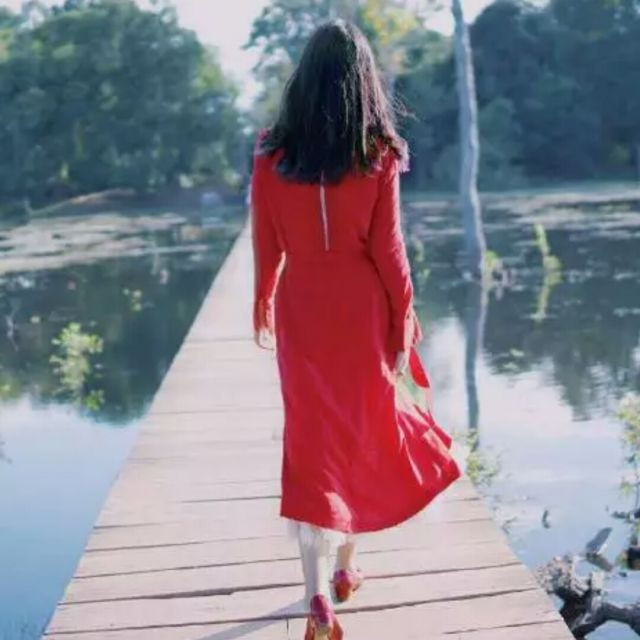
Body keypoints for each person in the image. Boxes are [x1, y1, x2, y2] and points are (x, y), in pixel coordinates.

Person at [250, 20, 461, 640]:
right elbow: (390, 251)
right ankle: (345, 569)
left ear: (303, 79)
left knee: (311, 442)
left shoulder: (270, 154)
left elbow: (265, 240)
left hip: (302, 306)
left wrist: (262, 301)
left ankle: (318, 595)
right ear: (362, 81)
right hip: (361, 307)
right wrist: (404, 319)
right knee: (361, 428)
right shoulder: (378, 155)